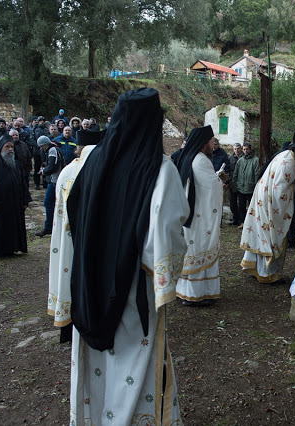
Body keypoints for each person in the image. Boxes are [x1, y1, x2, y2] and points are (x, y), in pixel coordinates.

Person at [62, 88, 188, 424]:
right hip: (132, 293)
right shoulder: (161, 171)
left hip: (89, 285)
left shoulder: (89, 162)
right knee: (135, 370)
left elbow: (73, 216)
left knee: (98, 372)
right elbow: (166, 238)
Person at [48, 129, 102, 344]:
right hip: (87, 237)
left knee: (66, 272)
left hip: (66, 235)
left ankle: (67, 326)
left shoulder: (66, 171)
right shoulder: (97, 169)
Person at [240, 142, 295, 283]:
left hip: (263, 198)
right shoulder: (288, 164)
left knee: (260, 233)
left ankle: (255, 267)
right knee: (269, 237)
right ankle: (266, 274)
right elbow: (279, 193)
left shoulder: (287, 155)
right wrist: (292, 191)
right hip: (269, 204)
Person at [174, 125, 223, 305]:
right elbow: (212, 187)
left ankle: (184, 291)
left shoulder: (188, 156)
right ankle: (195, 295)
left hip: (190, 213)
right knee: (199, 249)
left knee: (191, 250)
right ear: (204, 144)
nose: (213, 146)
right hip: (198, 216)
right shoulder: (201, 160)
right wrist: (220, 180)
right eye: (211, 142)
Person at [35, 135, 64, 237]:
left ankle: (49, 227)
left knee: (48, 202)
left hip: (55, 181)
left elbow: (53, 166)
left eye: (41, 146)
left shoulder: (52, 150)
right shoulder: (54, 149)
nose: (41, 149)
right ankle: (53, 226)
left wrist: (44, 171)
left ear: (44, 144)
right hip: (55, 180)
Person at [232, 142, 260, 229]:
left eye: (247, 149)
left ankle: (253, 223)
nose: (245, 151)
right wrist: (235, 185)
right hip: (241, 187)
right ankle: (242, 222)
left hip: (250, 187)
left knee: (252, 207)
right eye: (244, 149)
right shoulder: (240, 160)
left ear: (250, 149)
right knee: (241, 207)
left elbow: (256, 174)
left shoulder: (255, 160)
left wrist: (256, 187)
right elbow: (235, 173)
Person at [227, 142, 242, 225]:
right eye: (235, 149)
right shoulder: (230, 158)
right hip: (232, 183)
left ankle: (241, 219)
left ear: (241, 148)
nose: (237, 150)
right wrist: (227, 182)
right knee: (232, 203)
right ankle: (235, 218)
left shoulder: (244, 157)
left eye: (238, 148)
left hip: (241, 184)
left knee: (241, 203)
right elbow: (228, 170)